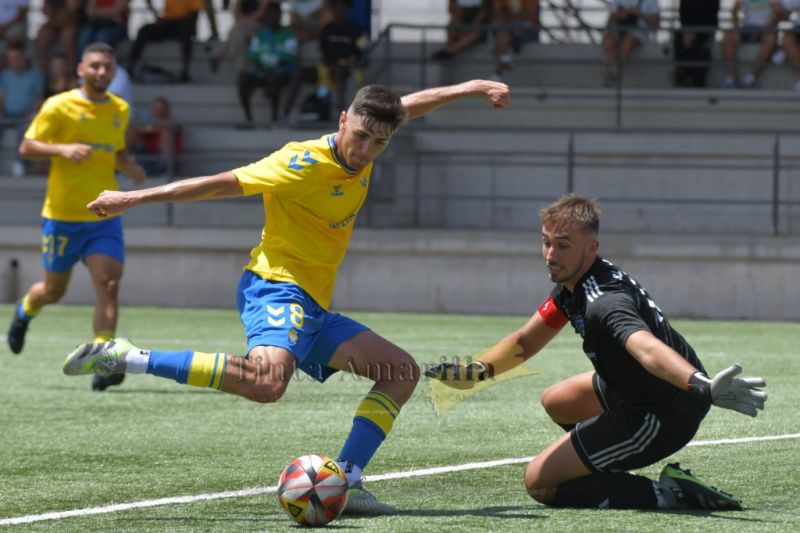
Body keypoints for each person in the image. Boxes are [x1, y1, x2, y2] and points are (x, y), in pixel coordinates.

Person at [62, 79, 510, 515]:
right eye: (359, 137)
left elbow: (412, 104)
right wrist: (132, 197)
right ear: (342, 121)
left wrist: (471, 88)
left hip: (312, 302)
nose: (366, 151)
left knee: (399, 371)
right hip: (275, 285)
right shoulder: (301, 162)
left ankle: (347, 482)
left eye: (379, 143)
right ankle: (127, 356)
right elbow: (220, 183)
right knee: (267, 383)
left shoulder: (375, 128)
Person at [427, 194, 767, 510]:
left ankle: (671, 494)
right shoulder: (574, 284)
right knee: (556, 400)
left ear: (591, 248)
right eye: (546, 242)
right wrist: (474, 373)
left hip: (661, 411)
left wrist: (700, 385)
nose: (550, 255)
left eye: (562, 246)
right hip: (631, 388)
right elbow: (525, 341)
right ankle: (599, 459)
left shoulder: (603, 302)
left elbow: (646, 348)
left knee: (540, 483)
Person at [7, 43, 146, 393]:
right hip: (63, 216)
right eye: (95, 66)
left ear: (114, 72)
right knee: (54, 291)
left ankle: (103, 358)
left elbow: (114, 152)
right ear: (81, 69)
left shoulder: (119, 109)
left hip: (103, 216)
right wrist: (62, 149)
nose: (102, 72)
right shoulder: (59, 105)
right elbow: (26, 146)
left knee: (109, 286)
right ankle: (25, 311)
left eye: (108, 67)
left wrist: (129, 167)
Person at [236, 1, 298, 127]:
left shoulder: (288, 35)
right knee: (243, 78)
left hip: (282, 73)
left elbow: (288, 58)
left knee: (274, 78)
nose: (273, 18)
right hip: (263, 72)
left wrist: (272, 70)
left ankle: (274, 118)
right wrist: (264, 71)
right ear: (266, 16)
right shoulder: (260, 34)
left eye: (276, 15)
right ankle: (248, 119)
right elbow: (254, 57)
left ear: (280, 16)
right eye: (270, 15)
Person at [127, 0, 203, 82]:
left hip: (185, 23)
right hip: (168, 23)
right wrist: (158, 18)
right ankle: (130, 67)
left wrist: (191, 28)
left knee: (186, 31)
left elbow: (195, 14)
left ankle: (185, 71)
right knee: (144, 31)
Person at [318, 0, 368, 119]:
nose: (339, 11)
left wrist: (355, 61)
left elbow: (363, 52)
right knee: (302, 73)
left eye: (342, 8)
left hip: (349, 67)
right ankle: (286, 115)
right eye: (336, 8)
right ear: (332, 10)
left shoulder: (356, 30)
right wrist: (330, 64)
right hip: (328, 67)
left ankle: (339, 112)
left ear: (347, 10)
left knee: (340, 73)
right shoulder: (327, 29)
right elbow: (323, 52)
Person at [0, 43, 44, 177]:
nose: (14, 61)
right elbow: (1, 96)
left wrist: (31, 112)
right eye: (11, 58)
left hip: (27, 115)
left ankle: (20, 164)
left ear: (24, 58)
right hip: (7, 115)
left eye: (17, 57)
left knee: (25, 128)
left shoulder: (36, 74)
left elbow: (40, 98)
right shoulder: (6, 75)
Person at [721, 0, 782, 88]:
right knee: (727, 36)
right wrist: (736, 28)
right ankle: (731, 78)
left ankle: (750, 78)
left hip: (766, 29)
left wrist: (765, 30)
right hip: (746, 29)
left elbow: (778, 15)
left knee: (771, 38)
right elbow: (735, 9)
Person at [601, 0, 660, 86]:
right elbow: (609, 21)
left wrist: (639, 14)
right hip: (618, 29)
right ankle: (612, 70)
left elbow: (657, 23)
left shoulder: (651, 1)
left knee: (628, 42)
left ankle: (615, 71)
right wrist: (620, 15)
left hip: (639, 32)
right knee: (608, 40)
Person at [129, 96, 181, 175]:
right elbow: (137, 128)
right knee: (131, 132)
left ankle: (165, 168)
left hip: (163, 159)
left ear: (167, 110)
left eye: (161, 109)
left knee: (165, 134)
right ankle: (124, 163)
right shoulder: (146, 120)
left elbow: (175, 127)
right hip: (146, 154)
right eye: (156, 109)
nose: (158, 111)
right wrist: (149, 129)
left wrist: (152, 129)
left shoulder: (172, 121)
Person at [673, 0, 719, 88]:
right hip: (688, 29)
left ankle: (696, 79)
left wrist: (696, 32)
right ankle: (682, 73)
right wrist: (687, 31)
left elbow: (712, 15)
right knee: (679, 37)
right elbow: (683, 13)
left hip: (706, 29)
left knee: (700, 47)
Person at [492, 0, 539, 81]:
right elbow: (499, 15)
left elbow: (530, 15)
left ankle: (499, 69)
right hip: (509, 28)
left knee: (504, 34)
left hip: (523, 29)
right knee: (502, 32)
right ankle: (504, 59)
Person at [34, 0, 83, 70]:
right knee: (42, 35)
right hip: (53, 22)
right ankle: (42, 68)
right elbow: (45, 9)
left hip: (71, 22)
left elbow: (73, 9)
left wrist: (57, 14)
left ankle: (72, 66)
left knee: (68, 36)